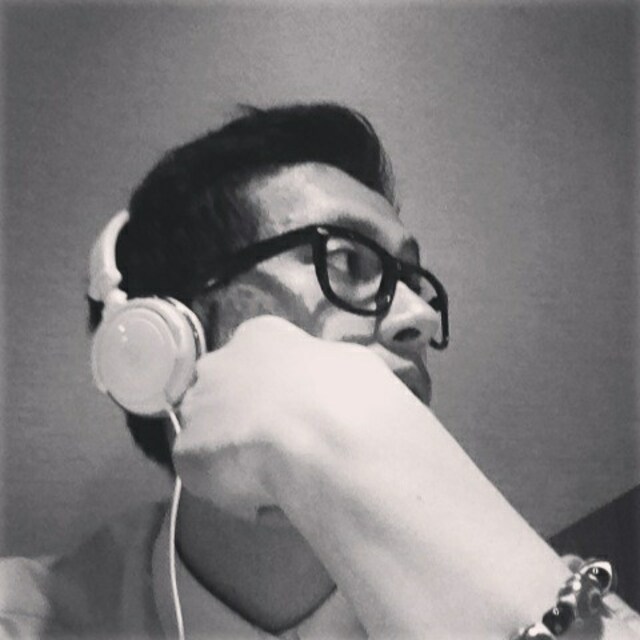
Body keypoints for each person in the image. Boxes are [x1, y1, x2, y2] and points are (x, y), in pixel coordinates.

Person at [0, 103, 638, 639]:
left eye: (415, 282)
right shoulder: (25, 619)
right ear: (168, 340)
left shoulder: (545, 597)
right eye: (348, 262)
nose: (421, 317)